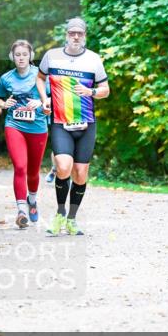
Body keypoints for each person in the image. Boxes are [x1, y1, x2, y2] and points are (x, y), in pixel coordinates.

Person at [36, 17, 109, 236]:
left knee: (80, 174)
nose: (76, 36)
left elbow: (106, 88)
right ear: (66, 34)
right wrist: (44, 99)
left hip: (86, 124)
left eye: (80, 33)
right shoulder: (52, 56)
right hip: (60, 121)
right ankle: (59, 214)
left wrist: (92, 92)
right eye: (72, 33)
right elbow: (40, 78)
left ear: (85, 35)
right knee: (63, 166)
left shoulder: (94, 59)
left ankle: (71, 219)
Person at [0, 39, 48, 229]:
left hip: (38, 127)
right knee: (20, 166)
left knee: (33, 171)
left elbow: (51, 99)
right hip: (14, 125)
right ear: (12, 57)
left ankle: (32, 200)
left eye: (25, 55)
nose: (21, 58)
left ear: (31, 56)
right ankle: (21, 210)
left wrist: (41, 103)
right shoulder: (6, 78)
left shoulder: (40, 76)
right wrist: (3, 104)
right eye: (18, 55)